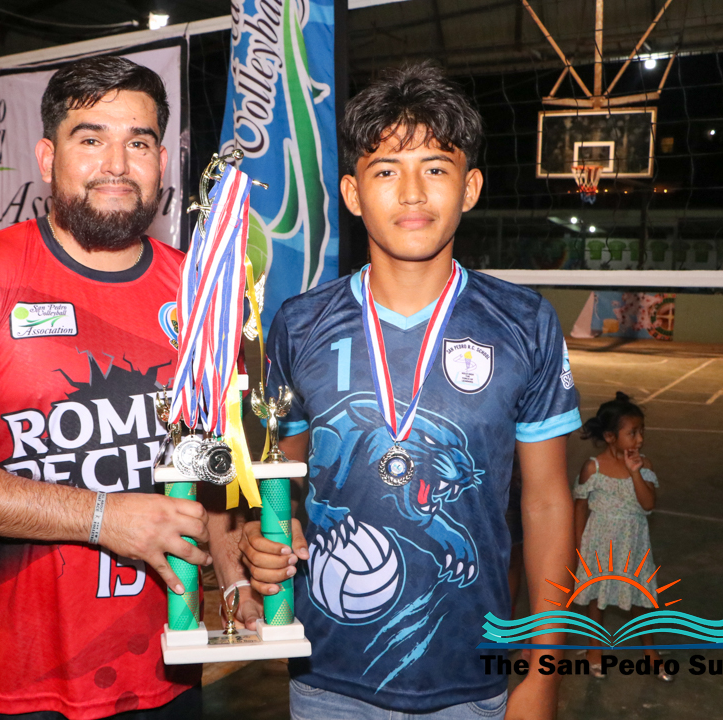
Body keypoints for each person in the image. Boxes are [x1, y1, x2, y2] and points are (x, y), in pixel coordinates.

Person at [0, 56, 216, 720]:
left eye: (139, 142)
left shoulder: (200, 290)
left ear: (162, 163)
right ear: (48, 158)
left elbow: (214, 462)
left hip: (167, 673)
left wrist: (241, 564)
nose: (117, 163)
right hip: (17, 682)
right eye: (91, 139)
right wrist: (101, 517)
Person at [235, 62, 581, 720]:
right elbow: (281, 482)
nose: (413, 192)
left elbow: (545, 502)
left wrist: (544, 671)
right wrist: (262, 536)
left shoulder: (525, 322)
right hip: (326, 676)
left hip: (472, 680)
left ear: (470, 188)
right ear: (352, 193)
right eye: (387, 170)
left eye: (436, 167)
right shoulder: (299, 325)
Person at [573, 392, 671, 681]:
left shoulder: (645, 466)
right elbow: (580, 507)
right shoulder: (593, 468)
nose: (639, 439)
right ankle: (594, 649)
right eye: (632, 433)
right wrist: (578, 546)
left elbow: (648, 504)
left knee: (641, 597)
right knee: (596, 597)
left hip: (633, 542)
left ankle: (650, 652)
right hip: (600, 542)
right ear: (610, 436)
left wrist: (635, 473)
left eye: (642, 432)